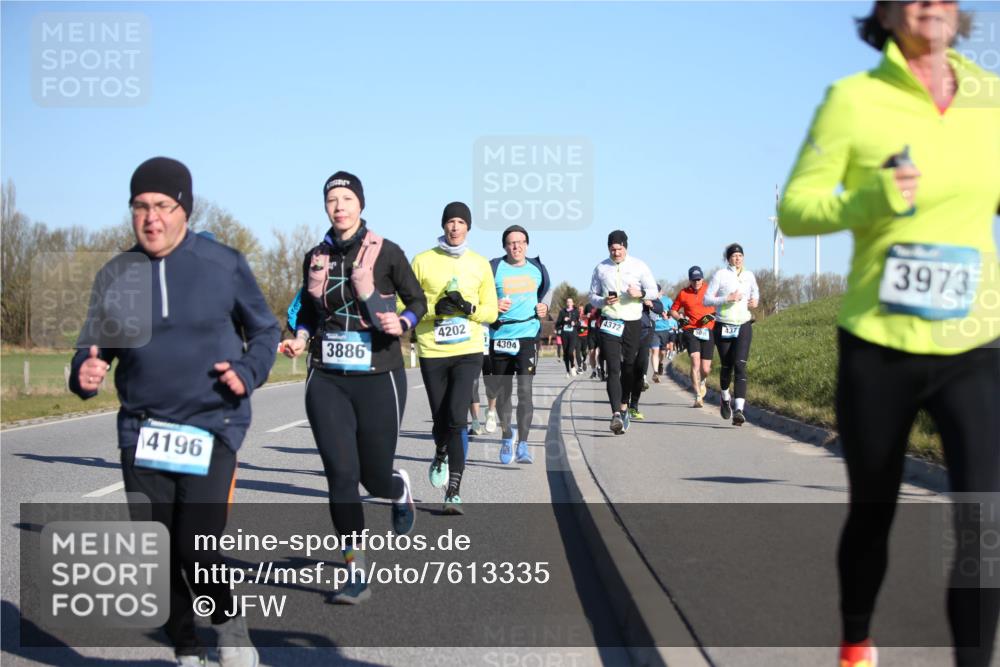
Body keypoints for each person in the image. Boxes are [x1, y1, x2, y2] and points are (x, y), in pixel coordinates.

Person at [780, 3, 999, 665]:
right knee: (873, 508)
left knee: (985, 520)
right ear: (885, 12)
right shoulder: (852, 99)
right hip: (878, 341)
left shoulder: (990, 98)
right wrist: (869, 197)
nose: (930, 3)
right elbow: (795, 208)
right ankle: (855, 642)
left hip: (975, 342)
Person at [70, 157, 279, 667]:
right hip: (142, 430)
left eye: (163, 206)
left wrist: (247, 372)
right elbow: (93, 345)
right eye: (140, 207)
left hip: (213, 423)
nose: (151, 218)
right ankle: (186, 646)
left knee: (196, 547)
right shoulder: (117, 274)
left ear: (185, 208)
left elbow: (267, 332)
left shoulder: (222, 264)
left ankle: (228, 621)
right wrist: (84, 372)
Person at [279, 171, 427, 604]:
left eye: (347, 198)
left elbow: (418, 301)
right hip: (326, 377)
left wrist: (402, 323)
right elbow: (305, 309)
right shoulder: (315, 256)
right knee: (341, 476)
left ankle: (398, 488)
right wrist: (300, 338)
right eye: (332, 200)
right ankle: (355, 569)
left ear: (360, 204)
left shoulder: (388, 252)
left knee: (373, 477)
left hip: (379, 375)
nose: (339, 206)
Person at [412, 202, 498, 513]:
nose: (455, 227)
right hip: (432, 349)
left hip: (468, 350)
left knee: (458, 417)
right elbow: (400, 305)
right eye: (450, 221)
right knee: (441, 419)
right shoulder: (422, 261)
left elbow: (490, 310)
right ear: (443, 225)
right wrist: (435, 311)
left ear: (468, 227)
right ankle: (440, 452)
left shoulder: (479, 264)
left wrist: (469, 309)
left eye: (461, 221)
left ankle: (454, 491)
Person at [487, 224, 550, 464]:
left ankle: (523, 444)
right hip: (501, 335)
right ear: (505, 246)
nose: (517, 246)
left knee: (525, 392)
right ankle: (506, 437)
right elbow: (482, 297)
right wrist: (493, 307)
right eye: (512, 242)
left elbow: (544, 293)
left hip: (527, 335)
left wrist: (544, 307)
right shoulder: (494, 268)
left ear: (527, 244)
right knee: (503, 393)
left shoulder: (537, 269)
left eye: (521, 242)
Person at [588, 230, 658, 434]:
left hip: (632, 322)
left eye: (619, 249)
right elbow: (591, 295)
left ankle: (624, 406)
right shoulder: (601, 268)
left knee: (629, 367)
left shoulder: (639, 265)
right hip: (610, 321)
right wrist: (602, 301)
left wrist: (641, 293)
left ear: (626, 247)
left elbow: (653, 290)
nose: (616, 252)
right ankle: (615, 414)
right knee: (613, 367)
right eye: (612, 249)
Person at [703, 243, 759, 426]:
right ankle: (725, 396)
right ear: (728, 258)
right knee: (727, 366)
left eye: (740, 255)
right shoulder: (721, 275)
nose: (737, 258)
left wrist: (754, 300)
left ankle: (739, 410)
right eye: (734, 256)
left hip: (743, 324)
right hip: (723, 325)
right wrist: (727, 298)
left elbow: (755, 292)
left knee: (740, 365)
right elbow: (707, 299)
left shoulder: (749, 275)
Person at [670, 266, 716, 408]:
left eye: (699, 279)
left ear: (703, 278)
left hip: (708, 330)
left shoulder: (711, 290)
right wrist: (680, 319)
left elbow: (721, 306)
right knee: (695, 361)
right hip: (691, 330)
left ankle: (702, 382)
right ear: (690, 280)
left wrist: (711, 315)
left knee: (706, 368)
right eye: (694, 279)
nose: (697, 282)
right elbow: (673, 310)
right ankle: (697, 396)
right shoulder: (683, 293)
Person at [624, 295, 665, 421]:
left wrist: (650, 304)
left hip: (644, 331)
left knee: (640, 368)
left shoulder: (646, 287)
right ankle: (623, 406)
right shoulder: (621, 285)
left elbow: (659, 307)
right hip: (626, 330)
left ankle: (633, 406)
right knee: (626, 369)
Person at [650, 285, 674, 383]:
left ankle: (660, 363)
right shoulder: (650, 301)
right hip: (654, 329)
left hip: (664, 329)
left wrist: (667, 316)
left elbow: (673, 311)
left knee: (662, 352)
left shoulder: (667, 300)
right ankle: (655, 372)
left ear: (661, 292)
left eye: (657, 292)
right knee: (654, 351)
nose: (656, 294)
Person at [554, 297, 581, 377]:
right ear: (566, 303)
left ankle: (572, 366)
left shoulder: (576, 311)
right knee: (565, 353)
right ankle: (567, 370)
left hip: (573, 334)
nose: (569, 303)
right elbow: (557, 324)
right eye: (568, 302)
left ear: (573, 303)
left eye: (570, 302)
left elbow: (579, 323)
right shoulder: (562, 312)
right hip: (564, 334)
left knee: (570, 351)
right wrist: (563, 320)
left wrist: (574, 323)